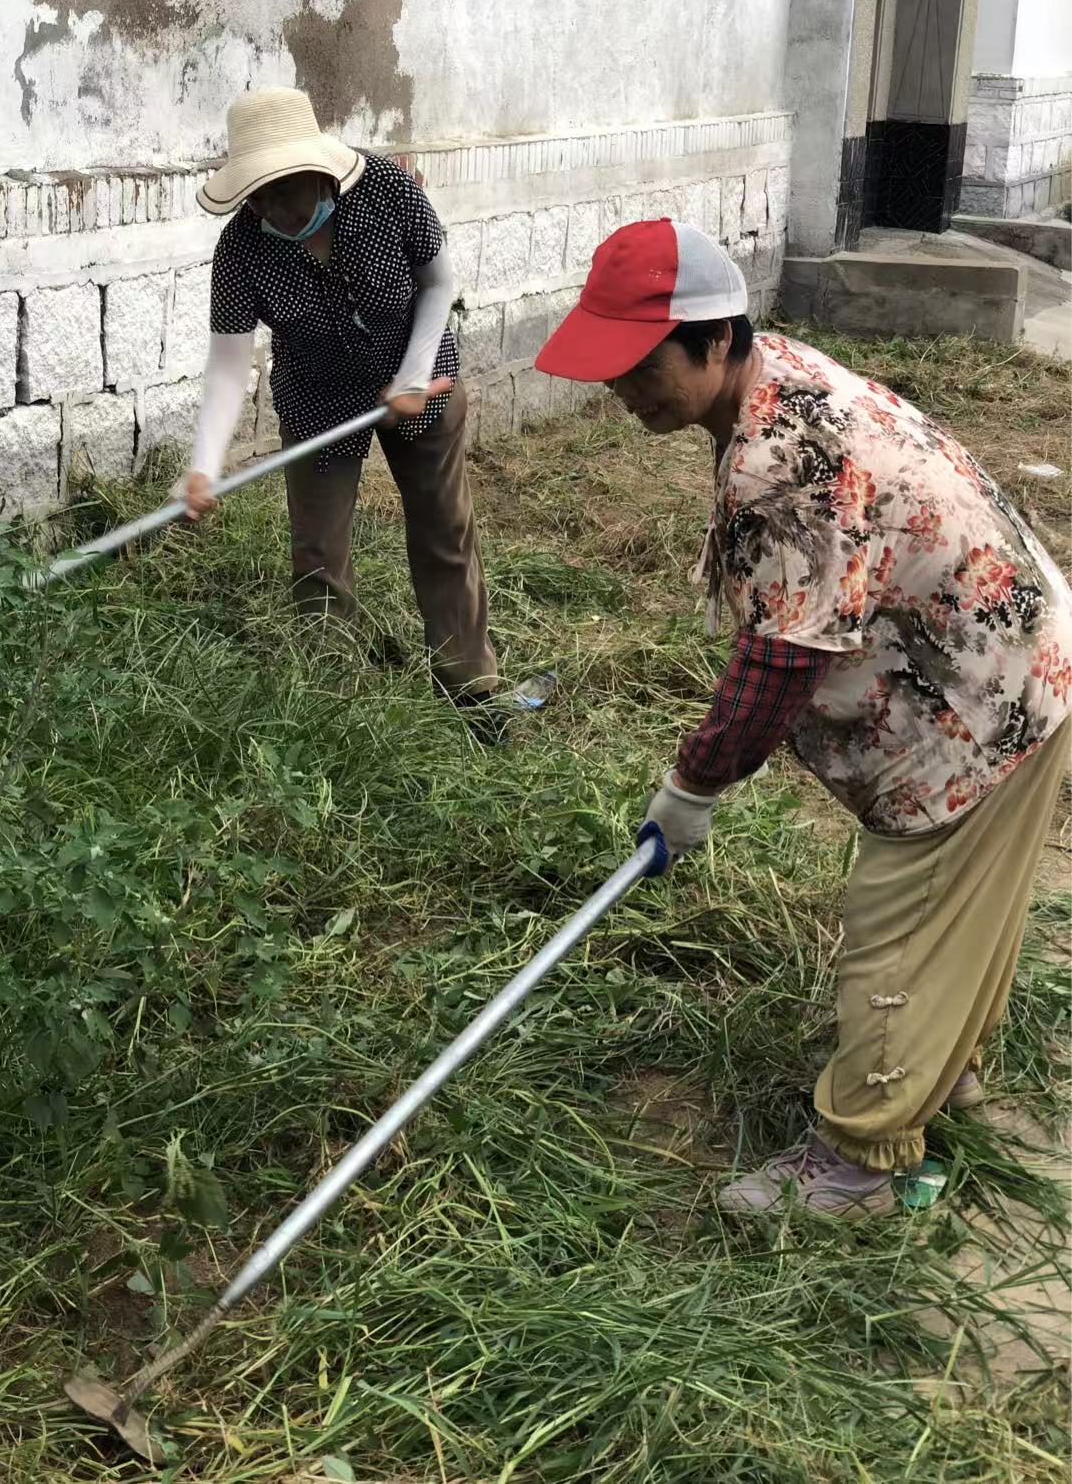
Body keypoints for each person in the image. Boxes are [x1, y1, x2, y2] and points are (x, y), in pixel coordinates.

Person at [535, 217, 1072, 1219]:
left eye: (641, 366)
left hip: (977, 703)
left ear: (714, 340)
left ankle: (861, 1159)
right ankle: (938, 1068)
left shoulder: (783, 458)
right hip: (1015, 655)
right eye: (610, 370)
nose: (623, 391)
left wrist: (692, 783)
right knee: (965, 908)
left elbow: (780, 657)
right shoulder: (768, 371)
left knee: (899, 924)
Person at [186, 86, 497, 718]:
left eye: (284, 190)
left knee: (443, 527)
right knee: (318, 553)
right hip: (316, 391)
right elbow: (228, 365)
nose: (273, 209)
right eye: (257, 195)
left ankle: (469, 687)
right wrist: (203, 466)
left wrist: (411, 377)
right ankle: (334, 700)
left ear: (318, 170)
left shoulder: (388, 190)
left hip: (419, 374)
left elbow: (438, 281)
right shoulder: (241, 249)